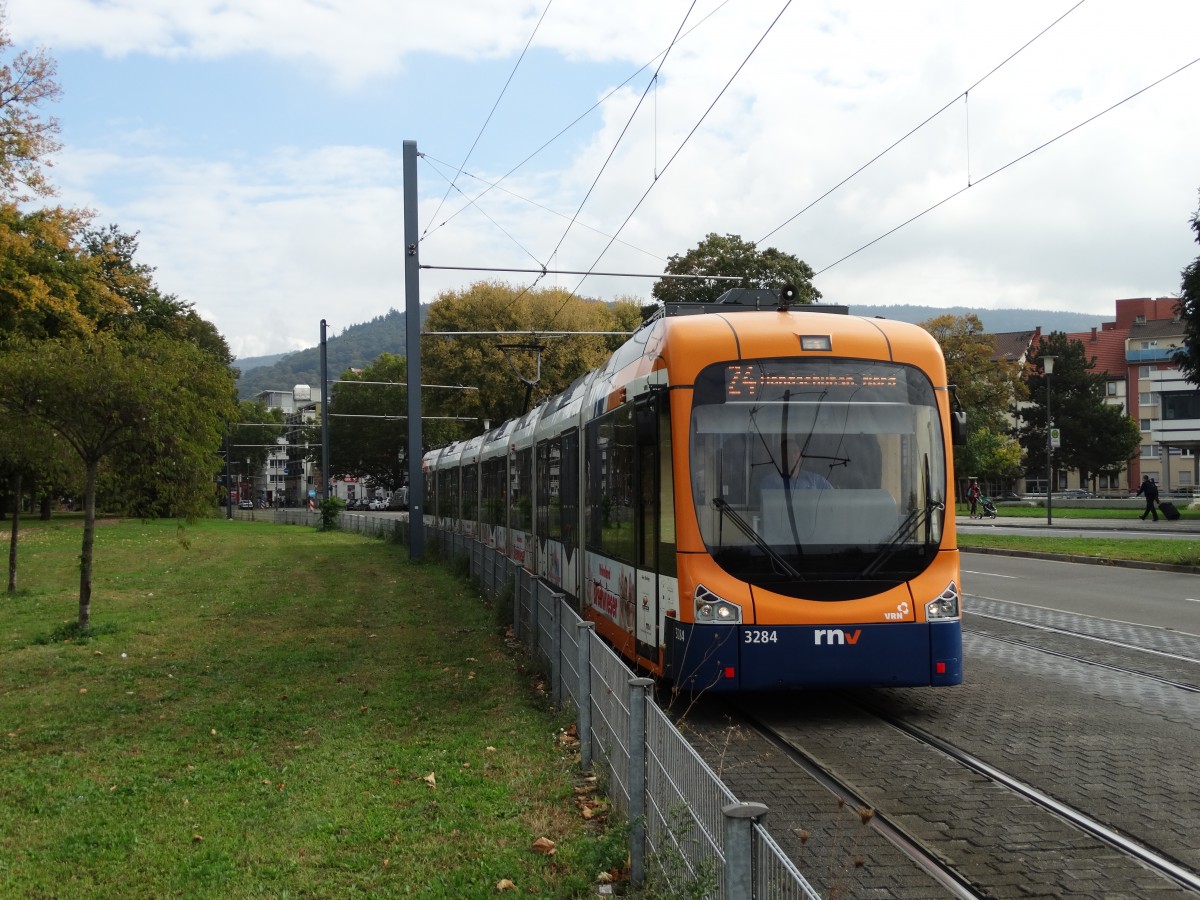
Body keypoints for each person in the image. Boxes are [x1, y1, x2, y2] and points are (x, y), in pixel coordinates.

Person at [760, 442, 832, 491]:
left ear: (801, 456)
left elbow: (834, 499)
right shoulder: (769, 483)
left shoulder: (816, 480)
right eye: (787, 452)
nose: (792, 456)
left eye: (795, 451)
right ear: (780, 457)